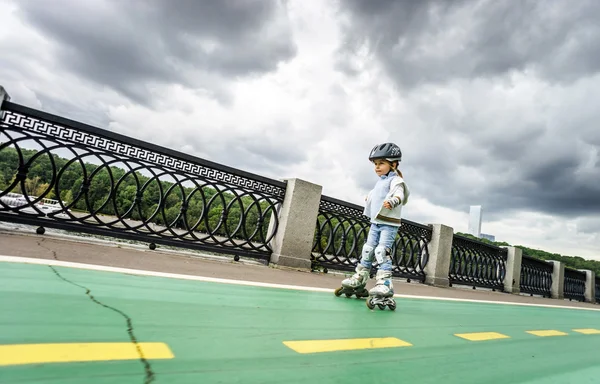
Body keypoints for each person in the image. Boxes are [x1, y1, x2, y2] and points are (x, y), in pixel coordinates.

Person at [339, 142, 410, 302]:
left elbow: (400, 194)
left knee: (382, 251)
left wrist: (393, 201)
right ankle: (360, 278)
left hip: (389, 224)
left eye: (381, 163)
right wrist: (369, 197)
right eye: (375, 164)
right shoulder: (381, 181)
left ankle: (385, 283)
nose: (377, 167)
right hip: (376, 222)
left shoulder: (396, 180)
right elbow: (375, 194)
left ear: (393, 164)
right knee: (368, 249)